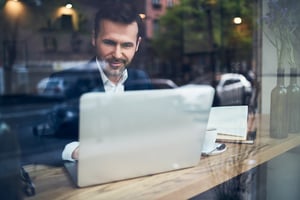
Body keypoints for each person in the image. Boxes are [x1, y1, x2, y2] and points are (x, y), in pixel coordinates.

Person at [60, 0, 152, 162]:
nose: (117, 54)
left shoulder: (141, 80)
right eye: (109, 43)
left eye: (126, 45)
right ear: (94, 38)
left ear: (137, 45)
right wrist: (75, 151)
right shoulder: (67, 81)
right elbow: (40, 141)